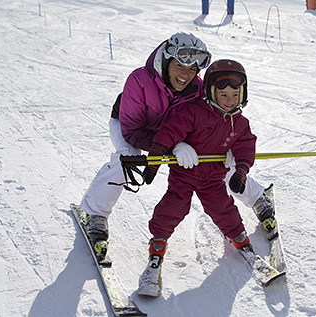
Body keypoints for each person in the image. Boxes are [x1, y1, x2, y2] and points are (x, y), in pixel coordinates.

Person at [77, 33, 276, 251]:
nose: (186, 74)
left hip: (176, 134)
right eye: (180, 65)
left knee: (215, 160)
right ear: (166, 61)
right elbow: (133, 132)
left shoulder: (199, 89)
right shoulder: (140, 80)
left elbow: (211, 123)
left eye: (192, 69)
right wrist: (174, 146)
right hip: (132, 128)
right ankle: (94, 213)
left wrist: (225, 146)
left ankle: (257, 197)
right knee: (127, 160)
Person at [138, 60, 257, 296]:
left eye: (235, 94)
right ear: (210, 92)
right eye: (223, 94)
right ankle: (158, 242)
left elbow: (245, 147)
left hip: (213, 177)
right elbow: (169, 132)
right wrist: (155, 160)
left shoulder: (240, 123)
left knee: (222, 208)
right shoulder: (192, 111)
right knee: (173, 208)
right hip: (185, 174)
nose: (230, 100)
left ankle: (238, 236)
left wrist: (241, 170)